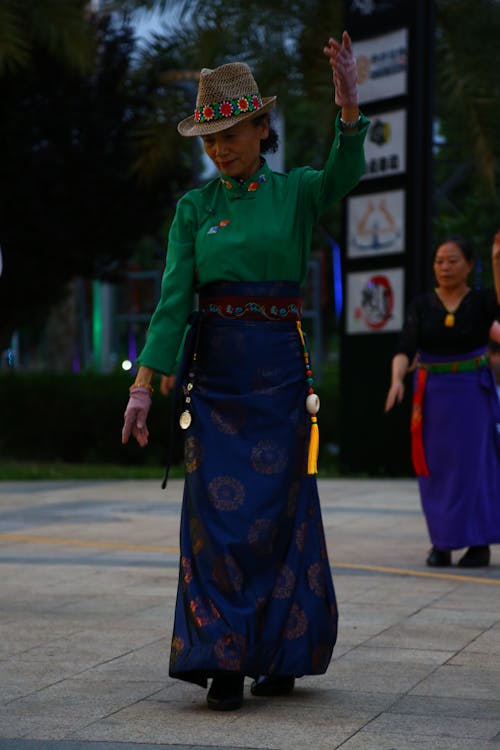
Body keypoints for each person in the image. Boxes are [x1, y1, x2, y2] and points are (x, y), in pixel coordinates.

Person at [122, 32, 369, 711]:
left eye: (232, 132)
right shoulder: (194, 211)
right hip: (217, 379)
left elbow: (346, 172)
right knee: (216, 523)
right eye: (209, 139)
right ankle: (222, 660)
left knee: (281, 515)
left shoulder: (295, 194)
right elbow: (172, 305)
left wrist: (349, 103)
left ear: (263, 127)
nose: (220, 148)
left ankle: (282, 652)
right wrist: (144, 386)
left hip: (281, 377)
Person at [385, 233, 500, 568]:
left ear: (469, 265)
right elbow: (405, 347)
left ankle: (477, 543)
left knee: (473, 468)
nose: (445, 267)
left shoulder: (480, 302)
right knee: (434, 469)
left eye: (453, 261)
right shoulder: (423, 304)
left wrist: (497, 261)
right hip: (432, 396)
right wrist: (396, 380)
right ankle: (443, 542)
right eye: (439, 261)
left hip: (471, 394)